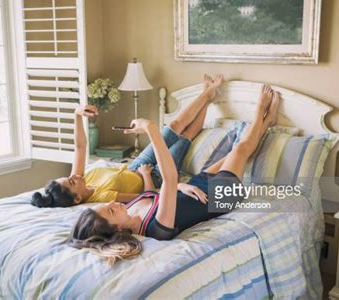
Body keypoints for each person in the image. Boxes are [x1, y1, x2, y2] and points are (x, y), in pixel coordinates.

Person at [67, 85, 280, 264]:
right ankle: (261, 110)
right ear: (118, 231)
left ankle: (267, 123)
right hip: (220, 197)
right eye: (111, 212)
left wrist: (180, 186)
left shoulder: (128, 210)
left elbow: (158, 192)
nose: (113, 205)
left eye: (106, 207)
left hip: (195, 186)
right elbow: (169, 178)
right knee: (241, 148)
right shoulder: (156, 229)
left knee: (237, 152)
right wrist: (151, 128)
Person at [31, 74, 223, 208]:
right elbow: (148, 196)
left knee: (173, 126)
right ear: (77, 198)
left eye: (70, 177)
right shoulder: (102, 197)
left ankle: (207, 95)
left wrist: (77, 115)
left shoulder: (81, 179)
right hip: (154, 175)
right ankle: (208, 96)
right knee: (185, 138)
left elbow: (80, 147)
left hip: (136, 166)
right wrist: (147, 175)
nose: (75, 176)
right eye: (72, 182)